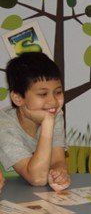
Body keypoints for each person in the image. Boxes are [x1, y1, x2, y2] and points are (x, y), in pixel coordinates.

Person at [0, 52, 70, 192]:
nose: (53, 102)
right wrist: (48, 123)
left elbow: (57, 160)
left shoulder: (53, 113)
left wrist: (59, 171)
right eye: (43, 94)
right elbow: (37, 178)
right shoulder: (4, 125)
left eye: (58, 92)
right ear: (18, 98)